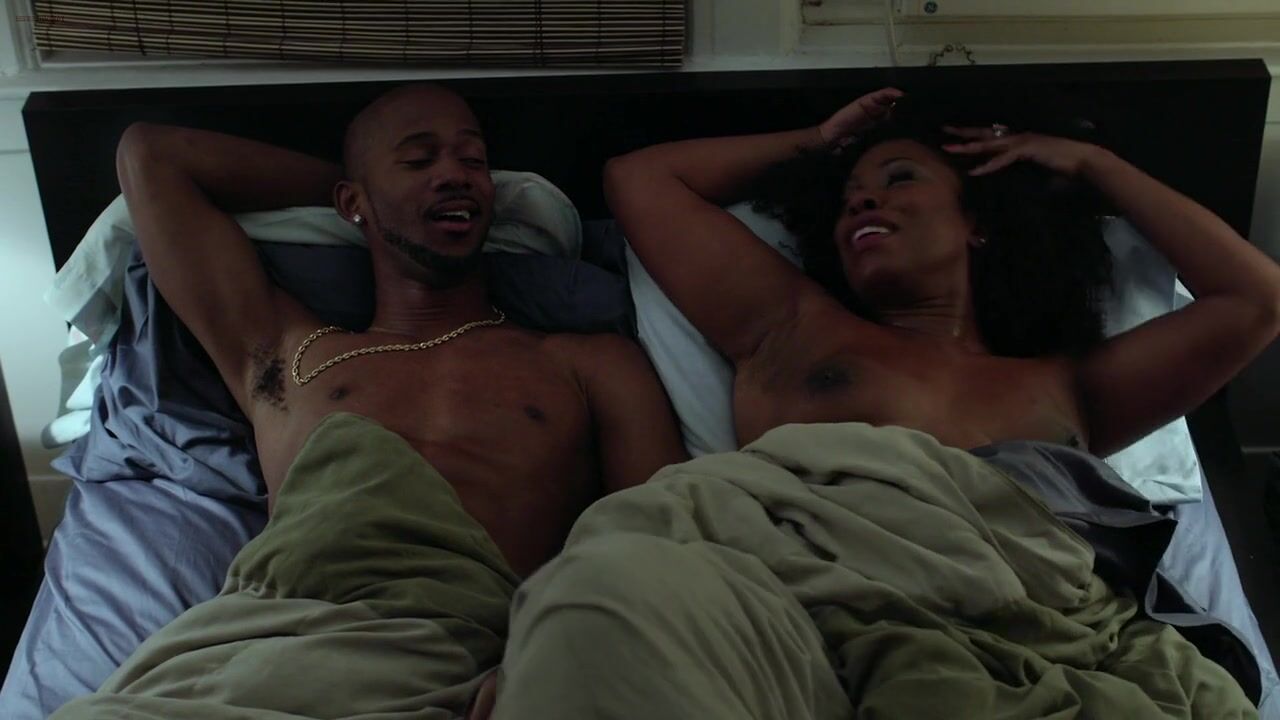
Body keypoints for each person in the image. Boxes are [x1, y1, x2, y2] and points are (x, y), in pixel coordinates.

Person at [485, 89, 1280, 717]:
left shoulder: (1067, 384)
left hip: (1023, 621)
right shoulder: (795, 328)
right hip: (807, 612)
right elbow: (642, 180)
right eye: (847, 200)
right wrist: (814, 142)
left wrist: (1090, 162)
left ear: (976, 223)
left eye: (898, 180)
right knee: (601, 600)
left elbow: (1255, 299)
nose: (862, 205)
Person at [50, 83, 686, 719]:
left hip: (455, 660)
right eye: (419, 160)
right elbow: (152, 156)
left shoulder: (586, 364)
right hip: (250, 651)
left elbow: (656, 541)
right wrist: (370, 190)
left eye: (474, 161)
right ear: (349, 202)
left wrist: (558, 645)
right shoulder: (290, 355)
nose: (456, 176)